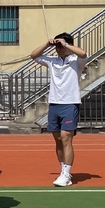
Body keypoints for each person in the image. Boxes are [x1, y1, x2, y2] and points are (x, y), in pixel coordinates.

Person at [30, 32, 87, 186]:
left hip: (70, 103)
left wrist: (66, 44)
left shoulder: (76, 61)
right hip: (54, 103)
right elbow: (33, 56)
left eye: (59, 46)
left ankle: (67, 175)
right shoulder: (52, 61)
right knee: (58, 140)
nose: (58, 49)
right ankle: (63, 170)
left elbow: (84, 54)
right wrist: (47, 44)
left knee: (66, 138)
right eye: (56, 47)